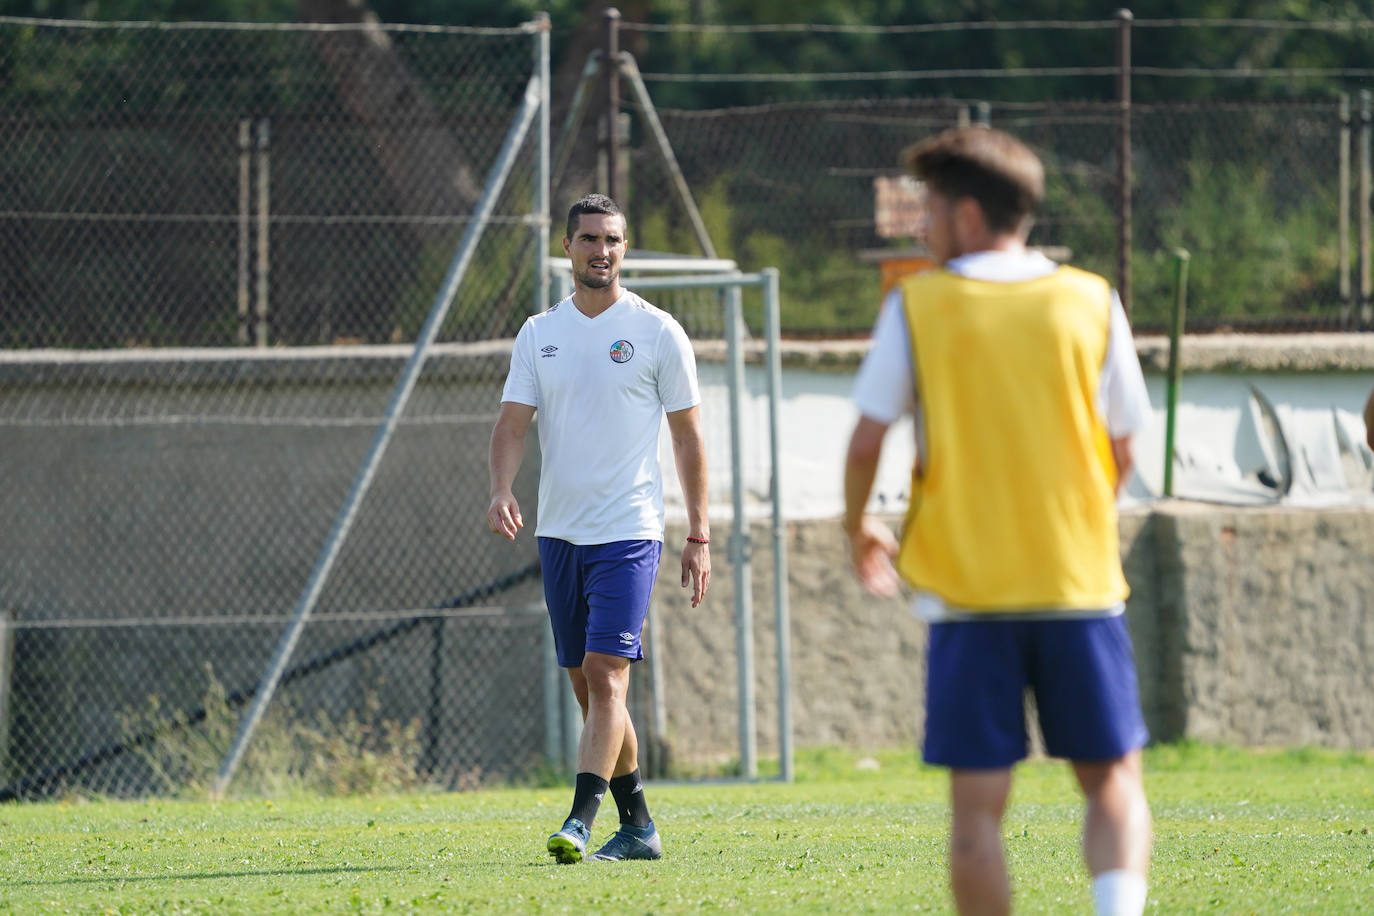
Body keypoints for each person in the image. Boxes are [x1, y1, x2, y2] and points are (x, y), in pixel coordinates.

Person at [842, 128, 1153, 916]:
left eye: (932, 210)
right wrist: (1071, 520)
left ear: (970, 214)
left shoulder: (919, 304)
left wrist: (858, 528)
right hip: (1076, 584)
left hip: (967, 594)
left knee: (977, 809)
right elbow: (1126, 445)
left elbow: (868, 439)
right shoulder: (1092, 298)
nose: (922, 228)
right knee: (1111, 778)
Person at [487, 192, 710, 864]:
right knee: (589, 686)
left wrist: (699, 533)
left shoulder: (657, 331)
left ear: (624, 248)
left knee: (608, 672)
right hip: (559, 533)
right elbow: (512, 425)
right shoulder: (539, 333)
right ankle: (638, 825)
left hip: (629, 531)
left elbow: (690, 437)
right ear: (568, 248)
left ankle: (580, 820)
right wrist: (501, 487)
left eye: (612, 240)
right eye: (588, 239)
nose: (601, 251)